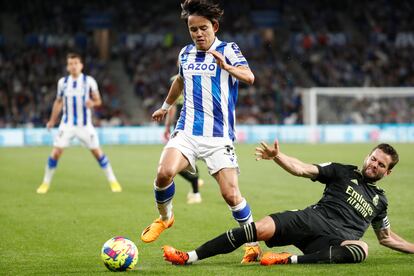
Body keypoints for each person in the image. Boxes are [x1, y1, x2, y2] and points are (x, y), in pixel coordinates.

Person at [140, 0, 260, 263]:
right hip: (187, 131)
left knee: (231, 195)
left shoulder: (228, 49)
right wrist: (165, 106)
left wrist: (227, 68)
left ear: (214, 26)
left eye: (203, 28)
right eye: (193, 29)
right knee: (164, 173)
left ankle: (251, 244)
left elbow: (250, 77)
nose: (198, 34)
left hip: (219, 137)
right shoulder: (185, 54)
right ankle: (165, 218)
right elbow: (180, 81)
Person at [162, 141, 414, 265]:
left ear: (387, 172)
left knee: (362, 249)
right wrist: (278, 156)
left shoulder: (381, 201)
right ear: (367, 156)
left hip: (334, 240)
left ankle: (288, 259)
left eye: (381, 165)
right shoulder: (342, 171)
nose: (374, 165)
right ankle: (190, 256)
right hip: (309, 219)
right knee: (257, 229)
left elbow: (386, 237)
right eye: (373, 159)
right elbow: (303, 169)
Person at [36, 53, 122, 194]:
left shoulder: (89, 82)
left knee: (97, 153)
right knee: (56, 152)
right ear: (67, 66)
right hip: (67, 124)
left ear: (81, 65)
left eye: (76, 63)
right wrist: (52, 121)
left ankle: (113, 181)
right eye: (70, 63)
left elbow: (99, 101)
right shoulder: (62, 83)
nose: (73, 66)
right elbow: (58, 102)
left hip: (85, 125)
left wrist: (93, 103)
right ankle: (45, 183)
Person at [164, 89, 205, 204]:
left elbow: (171, 107)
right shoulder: (198, 76)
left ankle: (196, 188)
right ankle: (195, 188)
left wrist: (167, 126)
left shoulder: (178, 79)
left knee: (172, 163)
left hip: (181, 126)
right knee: (188, 158)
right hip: (196, 125)